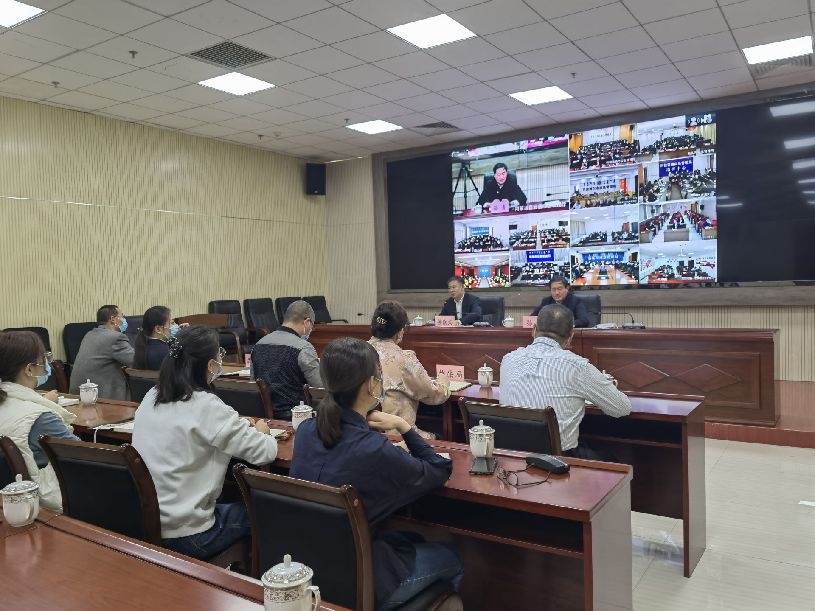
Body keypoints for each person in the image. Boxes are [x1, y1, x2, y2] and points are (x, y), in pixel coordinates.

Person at [290, 337, 462, 610]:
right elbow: (439, 469)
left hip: (308, 569)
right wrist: (405, 427)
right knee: (452, 557)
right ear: (372, 385)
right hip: (359, 579)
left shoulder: (306, 431)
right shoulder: (373, 448)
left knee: (407, 540)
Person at [132, 325, 277, 560]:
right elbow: (265, 452)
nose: (221, 359)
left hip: (149, 524)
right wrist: (263, 431)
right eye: (219, 354)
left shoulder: (152, 396)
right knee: (268, 511)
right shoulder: (206, 406)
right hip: (190, 534)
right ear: (210, 365)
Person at [499, 305, 631, 460]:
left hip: (511, 458)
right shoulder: (577, 366)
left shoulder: (508, 359)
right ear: (570, 337)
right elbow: (622, 408)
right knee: (614, 458)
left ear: (533, 330)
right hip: (558, 463)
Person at [0, 330, 79, 511]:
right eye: (43, 360)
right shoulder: (42, 418)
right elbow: (83, 458)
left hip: (11, 503)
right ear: (29, 369)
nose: (47, 365)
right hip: (48, 502)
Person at [368, 301, 450, 439]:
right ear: (400, 332)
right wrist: (444, 384)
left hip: (364, 435)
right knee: (440, 436)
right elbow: (433, 395)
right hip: (400, 438)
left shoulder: (357, 352)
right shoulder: (404, 359)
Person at [251, 300, 322, 420]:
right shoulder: (304, 348)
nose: (311, 329)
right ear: (307, 322)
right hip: (296, 418)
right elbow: (319, 387)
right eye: (312, 325)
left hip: (263, 418)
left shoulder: (258, 345)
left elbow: (253, 384)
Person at [69, 305, 135, 400]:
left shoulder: (89, 334)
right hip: (101, 397)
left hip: (79, 394)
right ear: (112, 319)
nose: (124, 320)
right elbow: (136, 361)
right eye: (122, 316)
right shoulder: (115, 337)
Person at [133, 306, 182, 371]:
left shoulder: (143, 346)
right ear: (158, 329)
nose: (175, 326)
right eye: (171, 323)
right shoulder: (166, 352)